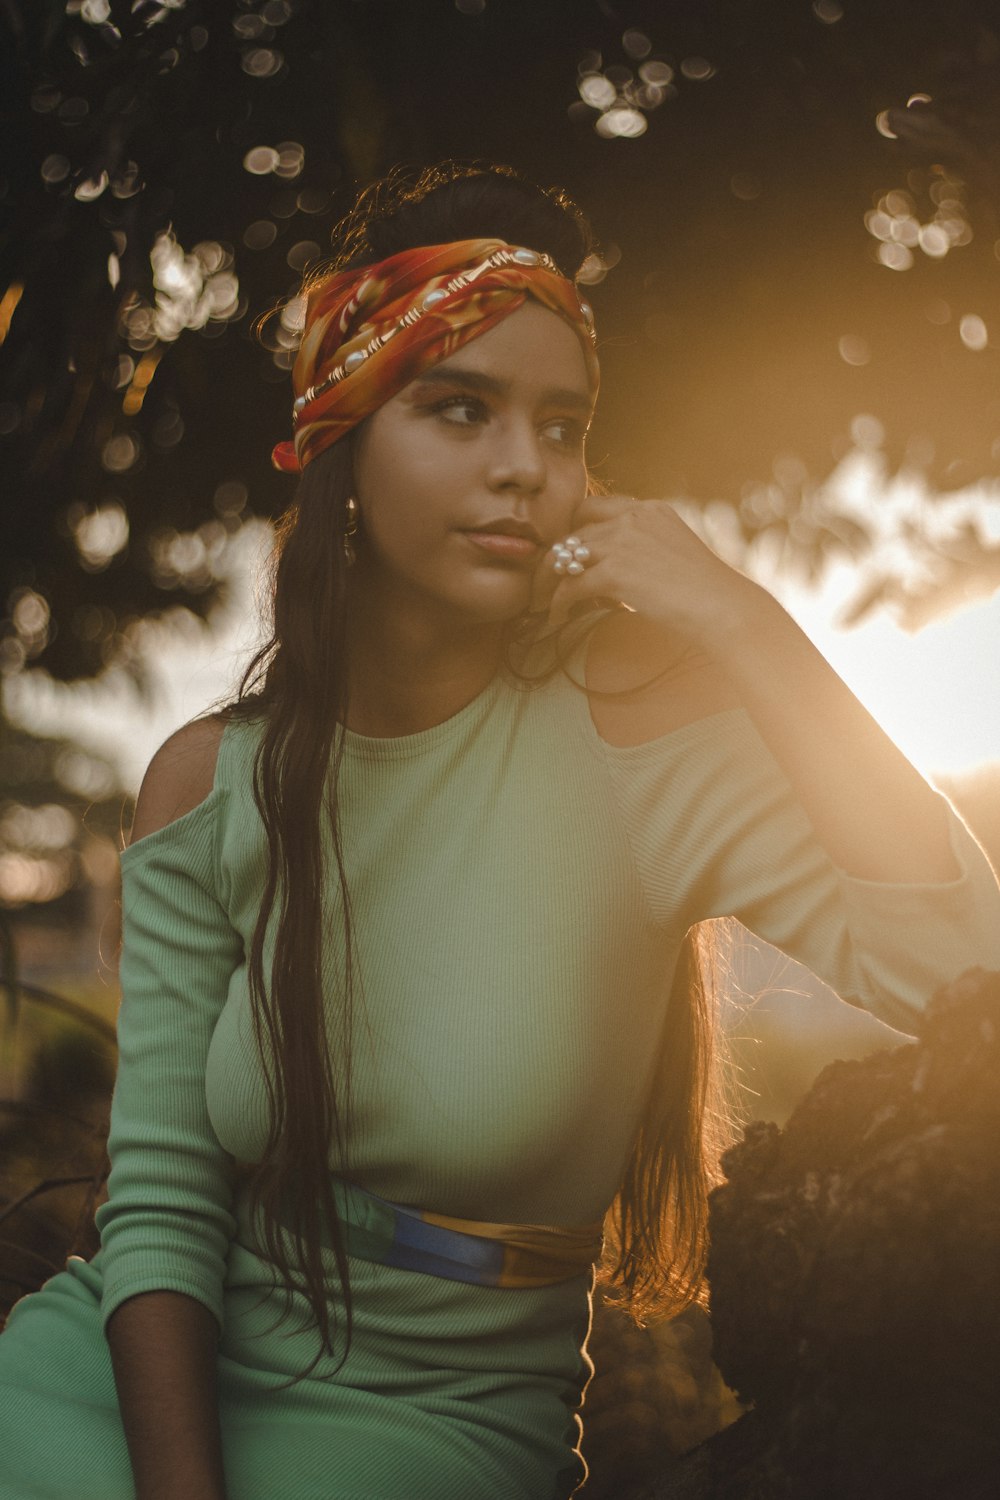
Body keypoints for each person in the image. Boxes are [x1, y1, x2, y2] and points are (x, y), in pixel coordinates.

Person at [2, 161, 1000, 1500]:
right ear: (348, 442)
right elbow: (164, 1208)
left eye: (563, 424)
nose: (524, 466)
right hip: (118, 1389)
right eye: (460, 410)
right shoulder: (205, 783)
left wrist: (754, 631)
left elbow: (965, 972)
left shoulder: (646, 746)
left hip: (441, 1425)